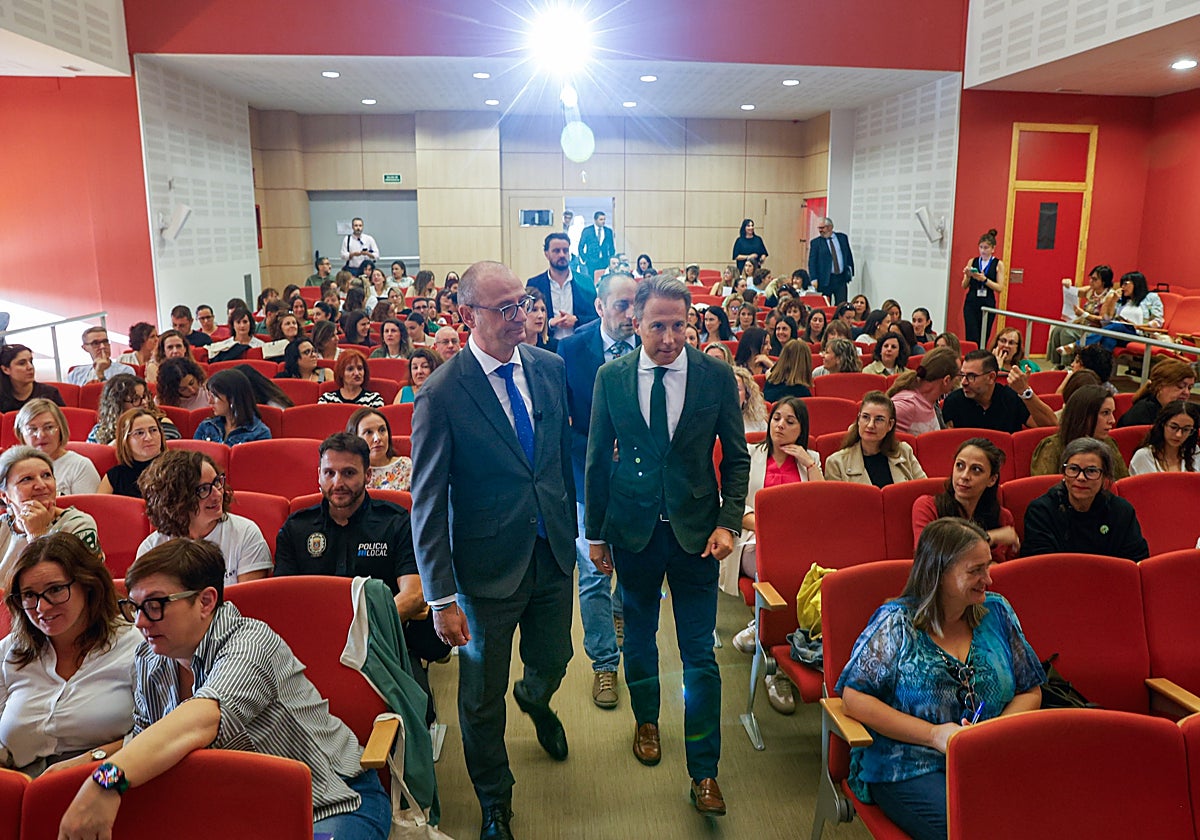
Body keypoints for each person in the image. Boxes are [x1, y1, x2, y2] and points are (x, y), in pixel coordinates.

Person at [55, 538, 392, 839]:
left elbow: (202, 717)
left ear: (205, 601)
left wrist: (105, 781)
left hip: (331, 801)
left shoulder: (251, 643)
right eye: (134, 607)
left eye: (155, 605)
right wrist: (86, 762)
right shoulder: (150, 656)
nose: (141, 622)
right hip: (232, 809)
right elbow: (145, 737)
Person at [410, 260, 578, 839]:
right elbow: (427, 502)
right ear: (467, 316)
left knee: (556, 660)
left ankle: (536, 697)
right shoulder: (441, 393)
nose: (521, 317)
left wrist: (577, 532)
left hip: (552, 551)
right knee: (481, 699)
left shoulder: (550, 368)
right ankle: (495, 801)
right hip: (483, 572)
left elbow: (556, 463)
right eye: (504, 308)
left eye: (523, 302)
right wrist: (440, 596)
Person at [586, 276, 750, 818]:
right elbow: (595, 460)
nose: (670, 337)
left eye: (679, 325)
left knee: (700, 652)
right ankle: (647, 720)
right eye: (658, 325)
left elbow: (738, 457)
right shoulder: (611, 377)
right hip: (632, 530)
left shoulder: (714, 375)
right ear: (636, 322)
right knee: (639, 637)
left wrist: (729, 523)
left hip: (698, 535)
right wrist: (596, 534)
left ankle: (705, 771)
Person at [837, 518, 1045, 840]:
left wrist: (993, 732)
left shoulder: (997, 612)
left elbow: (1030, 689)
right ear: (939, 572)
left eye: (988, 567)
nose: (987, 579)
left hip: (990, 757)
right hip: (909, 764)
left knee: (1054, 815)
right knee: (976, 829)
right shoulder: (897, 623)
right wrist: (935, 735)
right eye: (975, 570)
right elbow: (854, 697)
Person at [275, 433, 447, 723]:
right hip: (315, 644)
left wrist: (362, 630)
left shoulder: (396, 522)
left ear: (368, 475)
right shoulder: (296, 528)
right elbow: (283, 600)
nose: (337, 483)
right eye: (329, 473)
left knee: (418, 714)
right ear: (318, 475)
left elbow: (413, 595)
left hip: (382, 641)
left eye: (349, 473)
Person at [557, 271, 638, 710]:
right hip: (588, 479)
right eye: (622, 306)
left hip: (641, 483)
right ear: (601, 307)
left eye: (635, 305)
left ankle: (620, 612)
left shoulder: (653, 347)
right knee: (592, 575)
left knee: (633, 562)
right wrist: (596, 451)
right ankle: (604, 664)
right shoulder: (570, 349)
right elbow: (558, 422)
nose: (631, 314)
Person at [0, 532, 140, 776]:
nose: (42, 608)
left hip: (108, 780)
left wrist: (91, 760)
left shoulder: (135, 646)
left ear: (88, 586)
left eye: (55, 590)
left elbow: (157, 733)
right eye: (30, 595)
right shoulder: (11, 650)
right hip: (23, 785)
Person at [729, 398, 823, 714]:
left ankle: (767, 634)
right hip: (755, 539)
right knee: (777, 572)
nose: (780, 425)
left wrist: (809, 464)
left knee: (807, 576)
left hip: (802, 543)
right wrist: (771, 527)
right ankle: (774, 660)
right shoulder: (751, 456)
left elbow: (824, 504)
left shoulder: (812, 460)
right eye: (777, 418)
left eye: (790, 421)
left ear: (802, 428)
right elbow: (733, 504)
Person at [135, 450, 272, 584]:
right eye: (203, 489)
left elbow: (247, 602)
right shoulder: (151, 549)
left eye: (217, 482)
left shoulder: (245, 534)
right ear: (176, 500)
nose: (218, 494)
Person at [1022, 437, 1149, 561]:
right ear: (1063, 473)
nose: (1081, 477)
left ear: (1104, 476)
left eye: (1091, 471)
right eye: (1073, 469)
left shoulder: (1121, 511)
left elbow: (1136, 562)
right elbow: (1039, 567)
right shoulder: (1041, 511)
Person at [0, 447, 102, 578]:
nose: (41, 485)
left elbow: (60, 586)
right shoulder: (2, 525)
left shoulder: (78, 525)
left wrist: (37, 535)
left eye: (46, 475)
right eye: (26, 479)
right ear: (4, 496)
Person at [912, 438, 1019, 562]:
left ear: (992, 480)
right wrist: (989, 537)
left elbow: (1010, 571)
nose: (964, 476)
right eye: (960, 466)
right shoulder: (928, 507)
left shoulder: (1003, 517)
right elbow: (926, 555)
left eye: (976, 470)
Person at [826, 392, 927, 487]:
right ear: (858, 420)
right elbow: (837, 504)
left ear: (890, 425)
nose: (870, 425)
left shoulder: (904, 451)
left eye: (879, 419)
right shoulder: (836, 463)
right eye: (865, 417)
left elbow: (924, 490)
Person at [942, 349, 1056, 432]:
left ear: (991, 377)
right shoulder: (954, 401)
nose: (964, 382)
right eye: (962, 375)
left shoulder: (1010, 398)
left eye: (971, 376)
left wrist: (1025, 392)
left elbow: (1050, 426)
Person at [1030, 384, 1126, 478]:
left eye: (1112, 413)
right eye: (1105, 413)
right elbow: (1044, 489)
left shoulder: (1109, 444)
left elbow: (1122, 486)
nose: (1112, 420)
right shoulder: (1052, 447)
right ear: (1084, 416)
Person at [13, 400, 100, 495]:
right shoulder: (13, 467)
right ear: (21, 434)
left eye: (49, 427)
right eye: (32, 429)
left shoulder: (80, 466)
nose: (41, 435)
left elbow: (88, 508)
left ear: (61, 430)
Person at [528, 232, 599, 343]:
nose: (562, 255)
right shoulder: (535, 284)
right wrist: (550, 323)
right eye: (556, 251)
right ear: (546, 254)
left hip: (580, 344)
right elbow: (527, 320)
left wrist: (576, 320)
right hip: (546, 346)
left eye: (565, 250)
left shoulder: (585, 282)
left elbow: (596, 317)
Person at [1073, 271, 1165, 353]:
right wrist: (1113, 301)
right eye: (1122, 284)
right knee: (1109, 339)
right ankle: (1102, 370)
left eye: (1125, 284)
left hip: (1138, 334)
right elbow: (1106, 321)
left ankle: (1078, 345)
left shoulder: (1151, 297)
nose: (1122, 287)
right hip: (1119, 334)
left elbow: (1158, 321)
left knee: (1117, 327)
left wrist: (1136, 326)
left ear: (1136, 284)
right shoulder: (1121, 300)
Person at [1047, 265, 1117, 367]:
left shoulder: (1109, 296)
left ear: (1104, 282)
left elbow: (1103, 320)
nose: (1091, 281)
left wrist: (1084, 314)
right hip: (1083, 325)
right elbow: (1074, 291)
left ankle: (1067, 365)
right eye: (1090, 278)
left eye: (1095, 279)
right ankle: (1057, 364)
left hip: (1095, 330)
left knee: (1067, 333)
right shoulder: (1090, 290)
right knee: (1057, 329)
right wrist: (1067, 284)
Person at [885, 348, 958, 435]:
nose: (962, 380)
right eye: (959, 374)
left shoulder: (932, 403)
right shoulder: (906, 406)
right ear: (947, 380)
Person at [96, 408, 165, 497]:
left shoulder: (177, 468)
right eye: (139, 433)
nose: (148, 438)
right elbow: (97, 507)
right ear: (125, 440)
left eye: (153, 430)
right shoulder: (116, 476)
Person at [193, 369, 271, 446]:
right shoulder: (206, 426)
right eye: (209, 396)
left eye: (214, 396)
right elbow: (194, 456)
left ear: (232, 399)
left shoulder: (260, 433)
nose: (210, 402)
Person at [347, 408, 413, 491]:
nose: (377, 438)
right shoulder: (349, 472)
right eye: (368, 432)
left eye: (382, 430)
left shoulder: (406, 466)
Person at [1117, 358, 1195, 427]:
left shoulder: (1184, 413)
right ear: (1160, 386)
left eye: (1190, 388)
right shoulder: (1141, 416)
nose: (1187, 393)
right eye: (1180, 386)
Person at [961, 228, 1006, 345]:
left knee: (983, 336)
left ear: (993, 249)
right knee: (971, 335)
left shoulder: (998, 264)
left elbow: (999, 287)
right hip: (972, 302)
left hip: (987, 301)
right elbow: (964, 285)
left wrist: (984, 280)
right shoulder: (973, 261)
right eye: (981, 247)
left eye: (986, 248)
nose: (983, 251)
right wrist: (968, 276)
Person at [1130, 401, 1200, 474]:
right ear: (1163, 424)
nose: (1179, 435)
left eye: (1186, 429)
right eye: (1173, 427)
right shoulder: (1143, 456)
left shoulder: (1195, 453)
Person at [87, 374, 150, 444]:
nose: (144, 402)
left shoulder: (160, 425)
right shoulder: (100, 431)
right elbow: (91, 454)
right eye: (135, 399)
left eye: (144, 396)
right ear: (119, 405)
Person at [0, 344, 64, 412]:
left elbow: (63, 421)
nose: (30, 367)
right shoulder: (2, 397)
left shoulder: (50, 394)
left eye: (31, 361)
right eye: (22, 363)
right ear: (5, 369)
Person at [65, 326, 136, 386]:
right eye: (95, 343)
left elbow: (119, 399)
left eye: (105, 342)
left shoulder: (125, 371)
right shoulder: (76, 373)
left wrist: (100, 375)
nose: (102, 346)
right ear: (85, 348)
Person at [809, 217, 855, 304]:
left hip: (841, 278)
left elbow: (848, 255)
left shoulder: (842, 238)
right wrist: (813, 278)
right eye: (819, 228)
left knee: (842, 304)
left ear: (830, 227)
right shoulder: (816, 243)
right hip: (825, 279)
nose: (820, 230)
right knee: (825, 303)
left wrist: (850, 270)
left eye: (822, 228)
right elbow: (812, 262)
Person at [319, 349, 384, 407]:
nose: (356, 373)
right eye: (350, 369)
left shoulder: (374, 399)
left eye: (360, 368)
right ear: (341, 373)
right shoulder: (327, 399)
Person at [579, 211, 616, 282]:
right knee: (592, 280)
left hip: (604, 261)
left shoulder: (608, 231)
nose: (603, 221)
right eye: (601, 219)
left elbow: (611, 247)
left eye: (604, 219)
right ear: (595, 220)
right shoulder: (587, 231)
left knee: (604, 280)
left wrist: (610, 259)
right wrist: (585, 259)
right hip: (591, 261)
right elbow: (580, 247)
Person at [733, 366, 768, 433]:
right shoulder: (712, 420)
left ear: (747, 395)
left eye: (737, 389)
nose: (732, 393)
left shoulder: (757, 420)